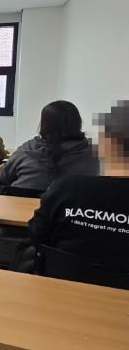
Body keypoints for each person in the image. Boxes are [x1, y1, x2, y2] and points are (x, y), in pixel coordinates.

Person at [29, 100, 129, 266]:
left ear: (108, 143)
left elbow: (37, 235)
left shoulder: (67, 188)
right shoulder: (71, 183)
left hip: (58, 277)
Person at [0, 101, 98, 192]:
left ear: (45, 123)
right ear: (77, 123)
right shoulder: (92, 152)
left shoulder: (29, 148)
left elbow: (5, 176)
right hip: (70, 204)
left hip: (21, 201)